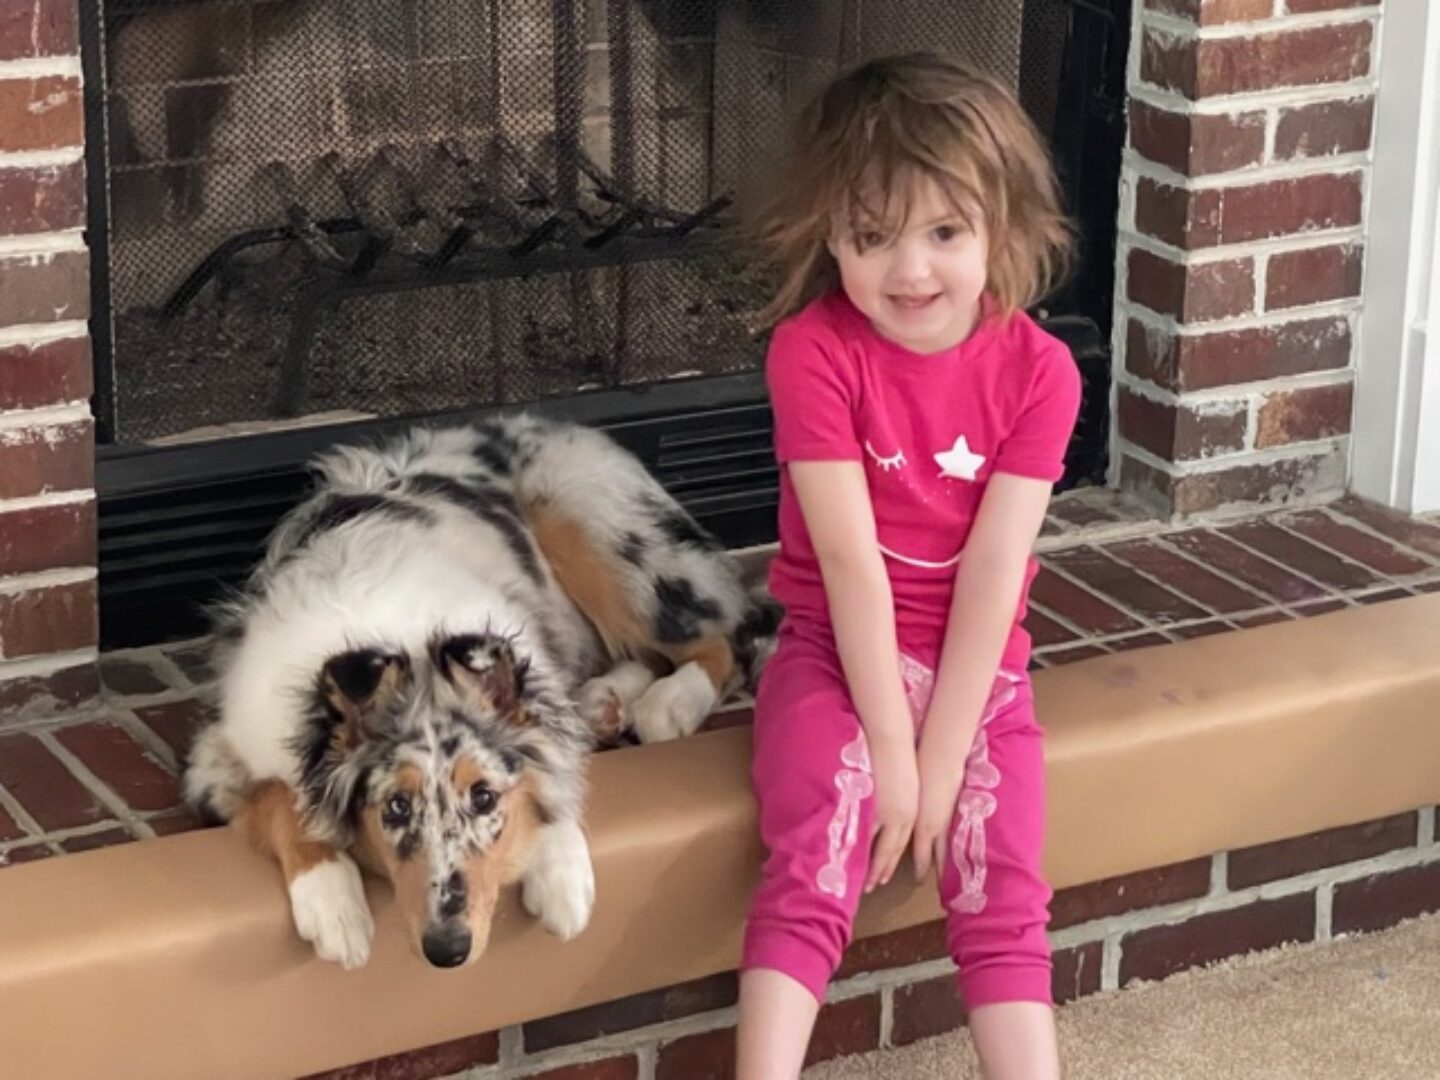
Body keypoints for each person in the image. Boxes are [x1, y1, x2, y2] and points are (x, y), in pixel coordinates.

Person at [735, 52, 1080, 1080]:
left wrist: (941, 760)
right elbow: (847, 562)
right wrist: (890, 748)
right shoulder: (812, 351)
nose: (910, 270)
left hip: (981, 673)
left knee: (1001, 866)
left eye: (944, 232)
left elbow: (993, 580)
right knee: (820, 843)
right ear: (829, 235)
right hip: (836, 656)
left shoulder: (1042, 375)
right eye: (872, 237)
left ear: (1001, 230)